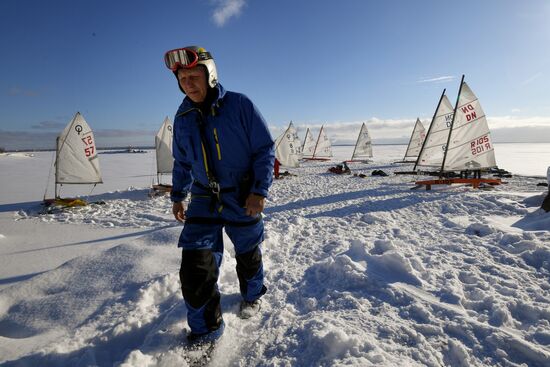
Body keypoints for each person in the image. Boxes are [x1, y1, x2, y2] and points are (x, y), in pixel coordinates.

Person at [164, 46, 275, 344]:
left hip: (242, 194)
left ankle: (252, 296)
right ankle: (206, 332)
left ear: (209, 75)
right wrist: (178, 195)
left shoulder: (240, 105)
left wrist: (259, 191)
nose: (188, 83)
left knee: (248, 254)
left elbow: (264, 150)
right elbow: (183, 161)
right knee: (195, 266)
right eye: (182, 78)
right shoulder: (183, 116)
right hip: (203, 198)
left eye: (194, 75)